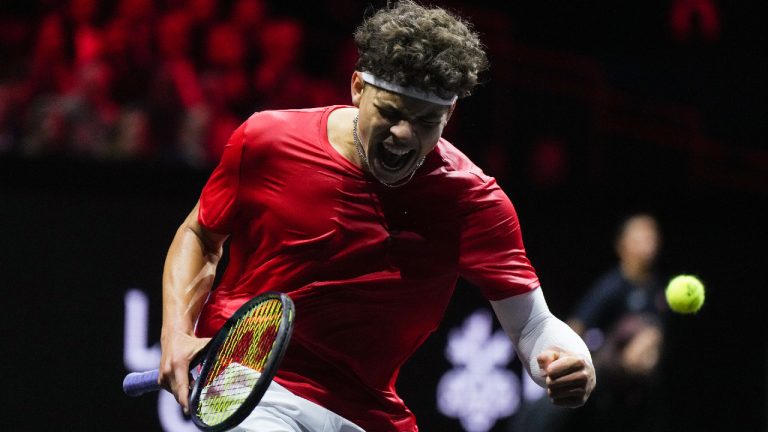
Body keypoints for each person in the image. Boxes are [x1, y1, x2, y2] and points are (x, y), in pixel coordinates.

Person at [158, 2, 595, 431]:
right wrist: (176, 333)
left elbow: (534, 324)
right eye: (391, 112)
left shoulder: (474, 202)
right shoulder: (268, 140)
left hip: (367, 412)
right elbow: (200, 234)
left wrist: (570, 361)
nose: (404, 134)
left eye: (426, 121)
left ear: (450, 114)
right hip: (247, 379)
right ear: (357, 88)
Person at [512, 213, 667, 432]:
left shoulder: (658, 290)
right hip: (602, 390)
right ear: (622, 245)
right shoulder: (609, 287)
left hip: (637, 396)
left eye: (652, 234)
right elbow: (575, 327)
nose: (649, 241)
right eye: (640, 235)